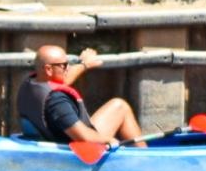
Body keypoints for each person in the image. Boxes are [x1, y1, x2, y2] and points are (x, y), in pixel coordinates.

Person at [16, 44, 146, 147]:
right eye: (64, 66)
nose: (68, 68)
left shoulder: (31, 83)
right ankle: (144, 160)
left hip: (49, 137)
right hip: (73, 146)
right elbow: (83, 137)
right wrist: (111, 140)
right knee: (121, 107)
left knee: (118, 105)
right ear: (49, 69)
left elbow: (64, 80)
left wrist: (84, 64)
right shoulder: (57, 101)